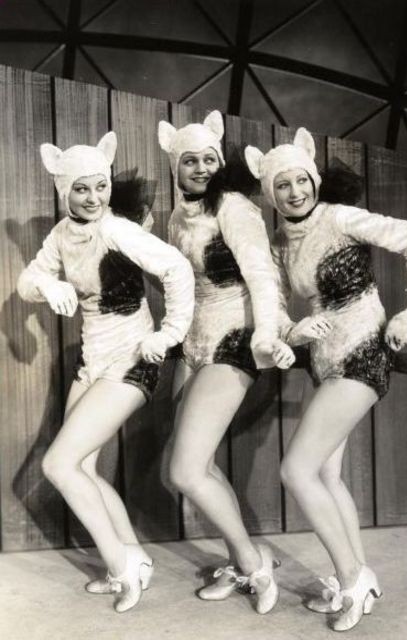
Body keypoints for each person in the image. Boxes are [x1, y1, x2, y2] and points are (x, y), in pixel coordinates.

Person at [245, 129, 407, 631]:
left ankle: (352, 579)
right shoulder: (279, 243)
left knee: (296, 470)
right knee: (325, 475)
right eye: (282, 186)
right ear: (271, 195)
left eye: (301, 180)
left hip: (363, 353)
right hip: (324, 361)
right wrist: (292, 329)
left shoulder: (339, 217)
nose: (295, 191)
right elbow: (273, 304)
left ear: (314, 179)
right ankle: (356, 579)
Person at [17, 132, 195, 613]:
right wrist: (46, 286)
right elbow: (28, 278)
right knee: (84, 468)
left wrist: (170, 333)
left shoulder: (117, 230)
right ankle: (134, 558)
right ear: (65, 191)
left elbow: (177, 269)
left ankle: (122, 566)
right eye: (81, 189)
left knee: (59, 465)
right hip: (92, 361)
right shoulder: (61, 234)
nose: (93, 198)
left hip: (131, 360)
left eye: (100, 186)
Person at [157, 111, 295, 614]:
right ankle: (244, 559)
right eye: (189, 160)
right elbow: (180, 284)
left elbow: (262, 276)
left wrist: (266, 335)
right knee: (194, 465)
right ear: (175, 166)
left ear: (220, 162)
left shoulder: (235, 207)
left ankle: (254, 565)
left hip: (236, 336)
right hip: (193, 343)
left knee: (186, 471)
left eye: (208, 159)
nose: (200, 168)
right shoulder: (177, 218)